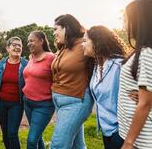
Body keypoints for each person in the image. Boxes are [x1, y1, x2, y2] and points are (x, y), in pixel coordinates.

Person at [50, 14, 94, 149]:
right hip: (60, 102)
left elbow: (107, 58)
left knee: (58, 145)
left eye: (56, 29)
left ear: (66, 28)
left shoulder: (84, 44)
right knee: (77, 146)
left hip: (76, 102)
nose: (54, 33)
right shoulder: (64, 47)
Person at [82, 25, 126, 149]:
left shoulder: (119, 65)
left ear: (96, 42)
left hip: (121, 131)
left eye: (85, 41)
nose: (82, 45)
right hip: (106, 130)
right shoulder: (96, 65)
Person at [118, 0, 152, 149]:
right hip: (132, 133)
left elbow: (145, 103)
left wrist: (129, 142)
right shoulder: (139, 51)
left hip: (142, 139)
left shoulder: (147, 53)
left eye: (125, 20)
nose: (124, 25)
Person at [22, 31, 55, 149]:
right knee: (37, 136)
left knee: (31, 140)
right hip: (28, 102)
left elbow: (58, 79)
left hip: (44, 105)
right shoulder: (31, 57)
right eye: (28, 41)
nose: (28, 43)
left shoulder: (51, 58)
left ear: (41, 41)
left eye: (32, 41)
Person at [0, 36, 28, 149]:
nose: (17, 47)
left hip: (17, 104)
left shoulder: (26, 65)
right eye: (14, 45)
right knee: (5, 131)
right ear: (7, 48)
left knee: (12, 133)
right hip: (0, 103)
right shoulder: (0, 64)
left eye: (20, 45)